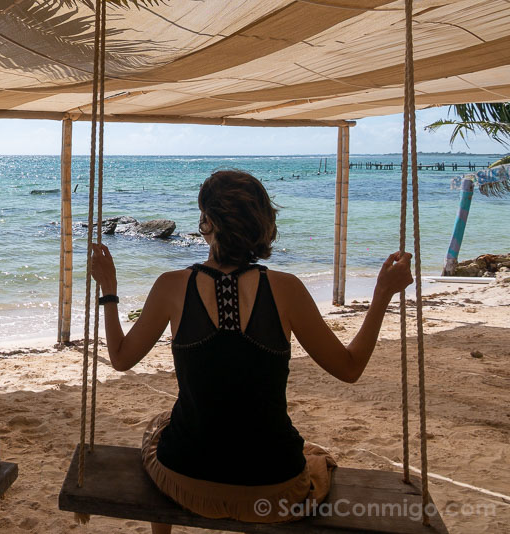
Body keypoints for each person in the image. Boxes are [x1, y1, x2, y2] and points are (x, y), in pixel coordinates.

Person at [89, 170, 413, 534]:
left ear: (207, 222)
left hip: (187, 480)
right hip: (274, 488)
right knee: (314, 456)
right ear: (261, 223)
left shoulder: (171, 286)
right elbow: (350, 368)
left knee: (158, 426)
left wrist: (109, 289)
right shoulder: (287, 289)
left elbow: (120, 358)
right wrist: (382, 293)